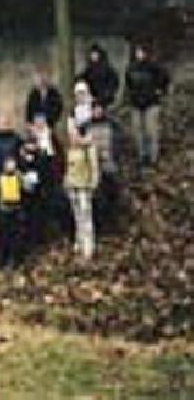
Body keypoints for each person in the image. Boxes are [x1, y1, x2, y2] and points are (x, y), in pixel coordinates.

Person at [125, 44, 171, 168]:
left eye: (140, 52)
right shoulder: (131, 68)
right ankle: (142, 155)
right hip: (136, 103)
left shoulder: (154, 66)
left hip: (151, 102)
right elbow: (128, 83)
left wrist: (160, 90)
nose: (138, 54)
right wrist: (130, 96)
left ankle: (153, 157)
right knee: (137, 131)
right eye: (137, 52)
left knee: (151, 130)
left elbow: (165, 78)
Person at [64, 128, 100, 259]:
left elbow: (94, 168)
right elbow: (68, 168)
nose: (73, 138)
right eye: (71, 136)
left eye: (75, 135)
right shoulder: (70, 151)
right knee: (77, 215)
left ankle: (89, 245)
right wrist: (66, 182)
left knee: (86, 216)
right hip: (72, 186)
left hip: (84, 186)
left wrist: (93, 184)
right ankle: (78, 240)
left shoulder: (88, 149)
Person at [87, 102, 122, 233]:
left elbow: (118, 145)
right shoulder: (85, 127)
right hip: (92, 166)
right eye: (94, 110)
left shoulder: (112, 125)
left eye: (99, 109)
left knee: (112, 192)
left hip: (110, 164)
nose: (97, 112)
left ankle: (113, 222)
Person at [0, 156, 27, 269]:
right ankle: (2, 259)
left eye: (12, 164)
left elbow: (27, 189)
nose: (10, 167)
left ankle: (16, 259)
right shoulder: (0, 177)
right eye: (8, 165)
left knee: (16, 236)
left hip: (16, 208)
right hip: (4, 209)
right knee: (3, 236)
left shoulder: (19, 176)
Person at [77, 44, 120, 109]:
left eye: (95, 54)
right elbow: (84, 78)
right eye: (92, 54)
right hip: (92, 98)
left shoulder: (107, 68)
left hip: (104, 98)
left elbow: (113, 81)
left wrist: (108, 93)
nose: (94, 56)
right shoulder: (89, 69)